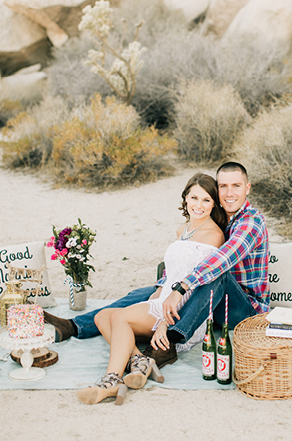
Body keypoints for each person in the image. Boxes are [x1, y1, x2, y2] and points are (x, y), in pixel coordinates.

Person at [44, 161, 270, 372]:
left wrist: (179, 289)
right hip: (213, 301)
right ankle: (75, 327)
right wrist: (164, 287)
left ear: (247, 188)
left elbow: (222, 260)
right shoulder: (222, 219)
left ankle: (169, 341)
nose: (230, 193)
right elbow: (188, 260)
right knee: (142, 294)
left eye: (236, 186)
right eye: (224, 186)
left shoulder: (250, 222)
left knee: (217, 274)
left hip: (244, 309)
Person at [76, 173, 226, 404]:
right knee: (103, 316)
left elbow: (196, 285)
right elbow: (174, 273)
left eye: (206, 200)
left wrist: (165, 323)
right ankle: (139, 360)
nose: (199, 205)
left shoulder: (214, 235)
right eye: (194, 197)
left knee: (121, 318)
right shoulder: (183, 229)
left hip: (181, 313)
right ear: (185, 198)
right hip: (164, 300)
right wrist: (155, 296)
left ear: (214, 203)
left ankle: (111, 380)